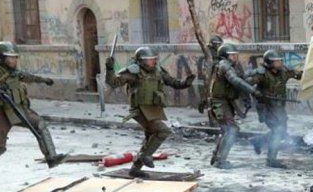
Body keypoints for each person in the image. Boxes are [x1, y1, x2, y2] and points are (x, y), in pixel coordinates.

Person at [0, 42, 66, 184]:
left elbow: (26, 76)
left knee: (40, 124)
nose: (14, 60)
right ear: (1, 57)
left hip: (17, 109)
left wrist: (44, 80)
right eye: (10, 57)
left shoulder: (13, 71)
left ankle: (51, 157)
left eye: (15, 57)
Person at [105, 47, 195, 177]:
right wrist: (109, 69)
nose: (153, 61)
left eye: (154, 59)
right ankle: (145, 155)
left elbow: (173, 82)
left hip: (153, 109)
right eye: (150, 60)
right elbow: (113, 83)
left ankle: (136, 168)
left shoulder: (158, 71)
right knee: (163, 131)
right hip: (139, 109)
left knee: (150, 138)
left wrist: (185, 83)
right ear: (141, 61)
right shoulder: (133, 72)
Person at [246, 50, 302, 168]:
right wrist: (255, 92)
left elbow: (298, 75)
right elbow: (245, 84)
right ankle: (271, 160)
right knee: (278, 130)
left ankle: (258, 140)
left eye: (280, 60)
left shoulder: (284, 71)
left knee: (282, 131)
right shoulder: (262, 74)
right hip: (267, 107)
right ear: (269, 63)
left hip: (279, 107)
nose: (279, 63)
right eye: (276, 61)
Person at [208, 44, 261, 169]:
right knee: (232, 129)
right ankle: (220, 161)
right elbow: (235, 81)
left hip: (227, 102)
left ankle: (217, 156)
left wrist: (257, 76)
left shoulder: (234, 66)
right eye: (232, 55)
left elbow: (242, 79)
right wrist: (252, 91)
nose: (235, 57)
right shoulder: (223, 65)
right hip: (219, 102)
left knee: (227, 130)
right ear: (225, 56)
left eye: (236, 54)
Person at [197, 35, 224, 124]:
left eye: (219, 44)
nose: (218, 46)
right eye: (216, 44)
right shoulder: (209, 53)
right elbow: (208, 66)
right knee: (210, 98)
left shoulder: (219, 52)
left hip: (217, 79)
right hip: (210, 78)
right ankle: (212, 118)